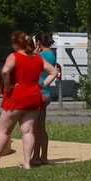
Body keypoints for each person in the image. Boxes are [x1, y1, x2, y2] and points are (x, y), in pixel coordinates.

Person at [0, 31, 57, 169]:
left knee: (3, 130)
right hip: (34, 97)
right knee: (28, 131)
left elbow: (5, 71)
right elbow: (54, 72)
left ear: (16, 44)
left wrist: (7, 85)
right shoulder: (37, 58)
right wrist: (42, 85)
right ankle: (27, 162)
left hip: (16, 97)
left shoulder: (14, 56)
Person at [33, 32, 58, 165]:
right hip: (46, 92)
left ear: (38, 42)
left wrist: (33, 54)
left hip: (40, 91)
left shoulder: (41, 55)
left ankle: (36, 156)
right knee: (41, 127)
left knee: (35, 127)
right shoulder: (51, 54)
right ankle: (43, 156)